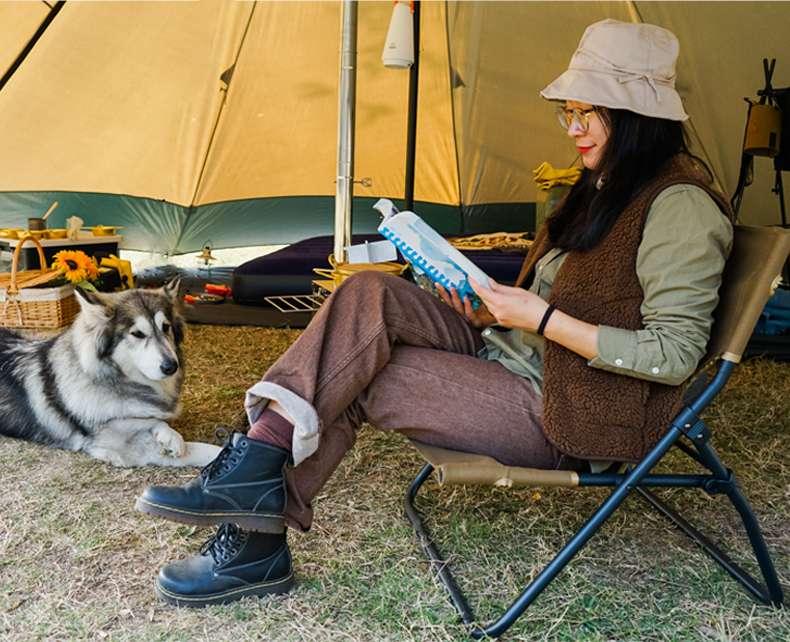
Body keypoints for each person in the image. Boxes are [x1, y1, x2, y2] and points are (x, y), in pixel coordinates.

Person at [135, 19, 734, 607]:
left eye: (587, 113)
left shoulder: (680, 208)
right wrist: (487, 312)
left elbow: (674, 355)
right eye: (568, 112)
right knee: (369, 291)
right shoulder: (607, 185)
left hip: (569, 404)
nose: (573, 128)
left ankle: (253, 534)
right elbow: (576, 298)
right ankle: (257, 465)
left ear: (634, 117)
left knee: (356, 376)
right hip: (516, 354)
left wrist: (540, 319)